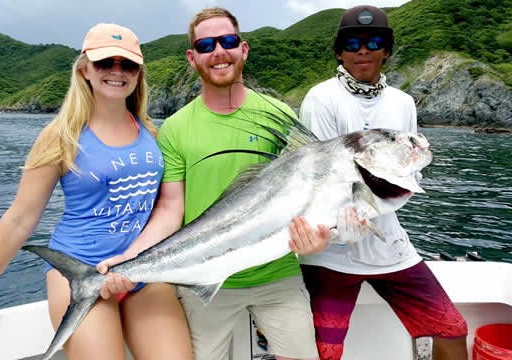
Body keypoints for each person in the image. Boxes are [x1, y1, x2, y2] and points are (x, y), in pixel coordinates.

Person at [0, 23, 192, 360]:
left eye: (127, 64)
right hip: (78, 272)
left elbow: (168, 207)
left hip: (141, 271)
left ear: (138, 73)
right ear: (85, 69)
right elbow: (20, 219)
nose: (117, 72)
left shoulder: (151, 133)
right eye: (105, 63)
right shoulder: (62, 135)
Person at [96, 7, 328, 360]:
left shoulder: (281, 116)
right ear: (193, 58)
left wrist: (320, 235)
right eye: (206, 45)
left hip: (278, 276)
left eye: (228, 41)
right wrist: (129, 259)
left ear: (244, 49)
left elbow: (311, 191)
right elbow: (172, 208)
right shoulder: (175, 128)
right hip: (203, 278)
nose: (219, 51)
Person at [298, 5, 469, 360]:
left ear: (386, 50)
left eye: (374, 42)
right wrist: (342, 221)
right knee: (324, 352)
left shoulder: (403, 103)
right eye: (353, 43)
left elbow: (408, 170)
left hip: (390, 246)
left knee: (452, 330)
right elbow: (320, 177)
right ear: (339, 51)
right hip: (331, 253)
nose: (364, 50)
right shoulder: (321, 98)